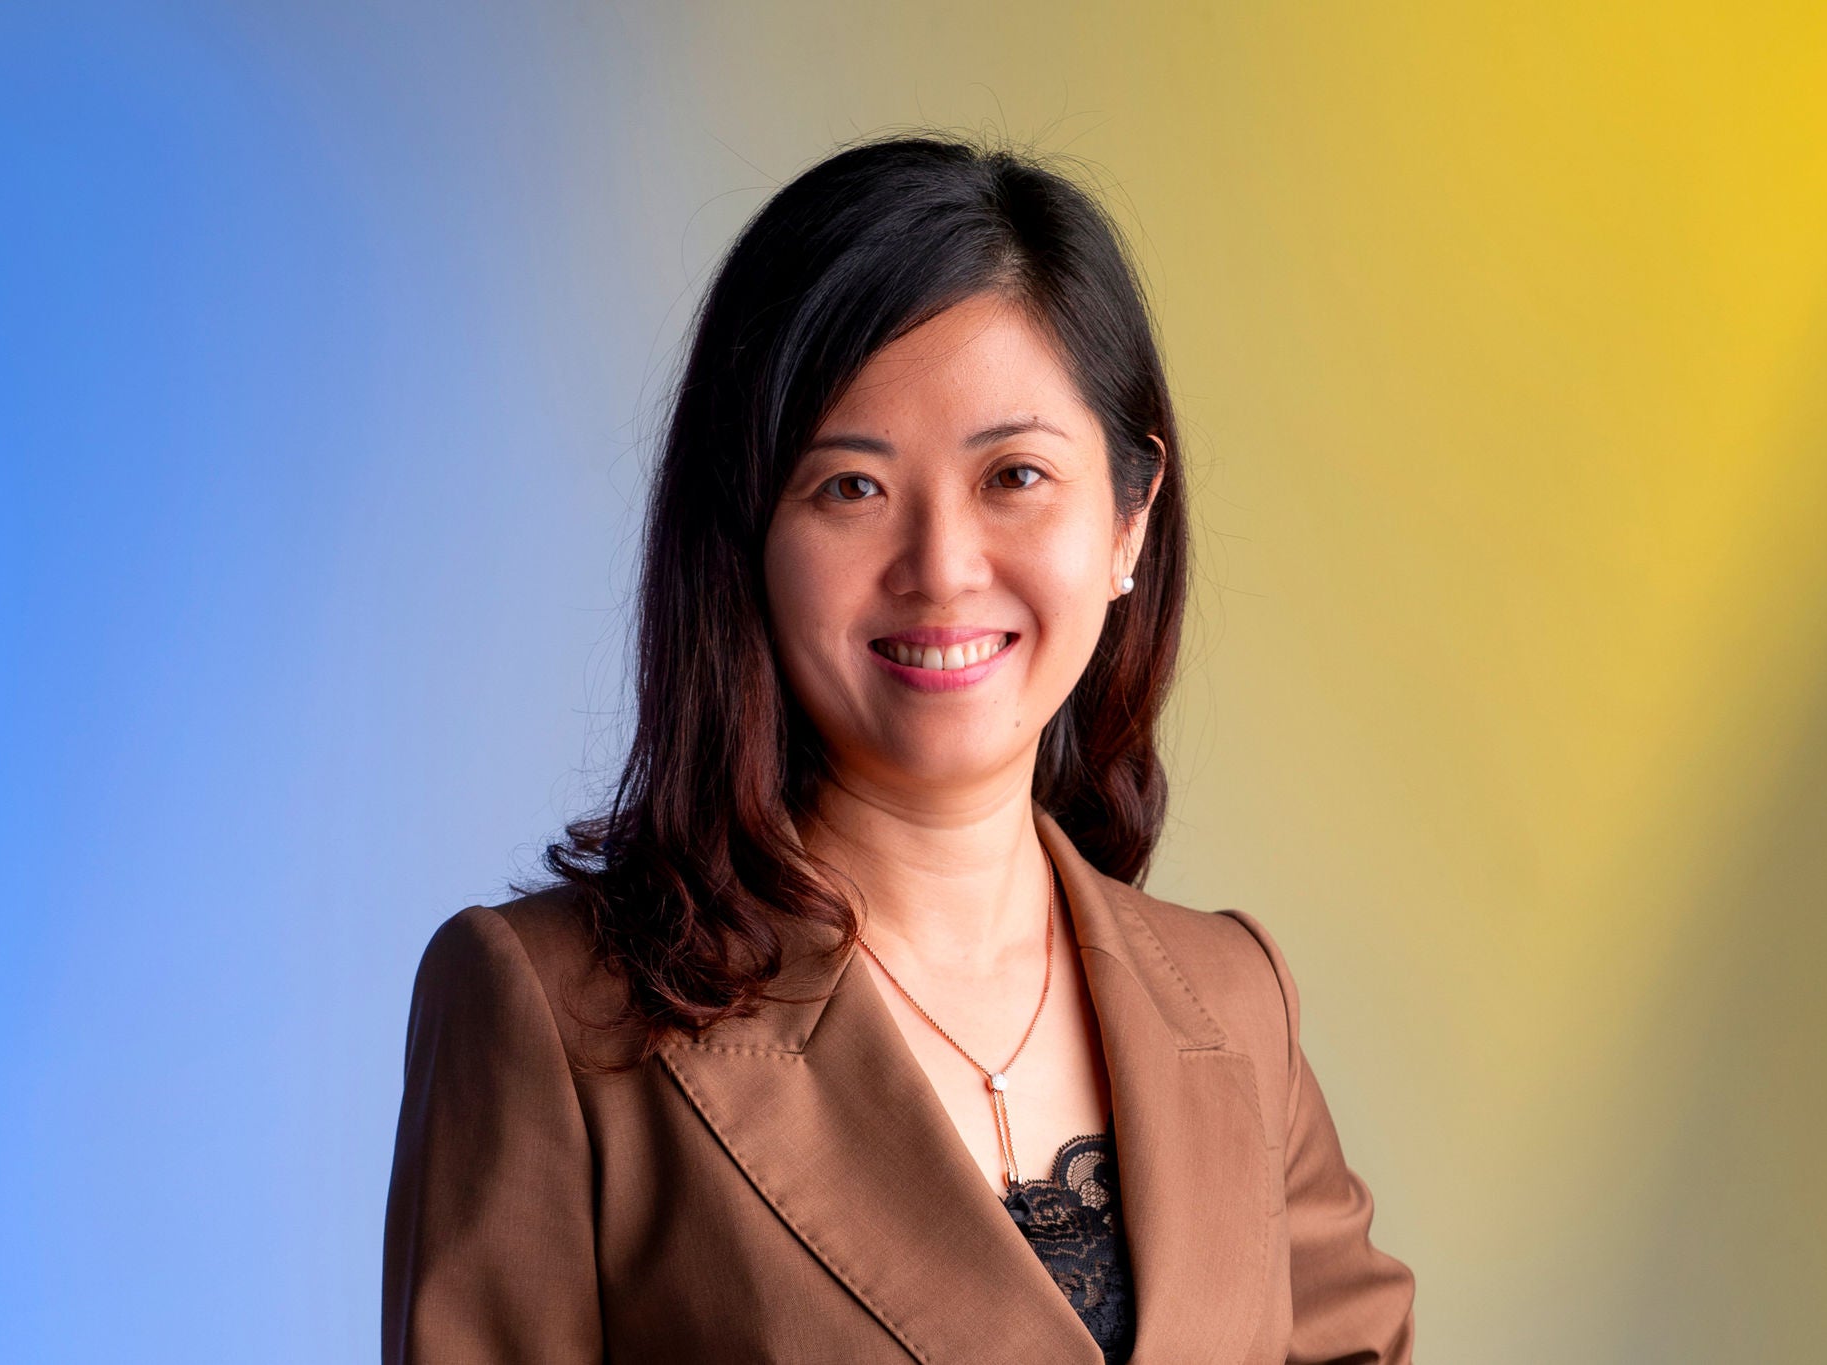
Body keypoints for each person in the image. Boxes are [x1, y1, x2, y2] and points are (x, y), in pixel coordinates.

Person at [381, 133, 1416, 1364]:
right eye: (850, 488)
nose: (940, 568)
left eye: (1013, 475)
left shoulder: (1236, 1000)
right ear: (746, 538)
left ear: (1129, 520)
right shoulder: (549, 1010)